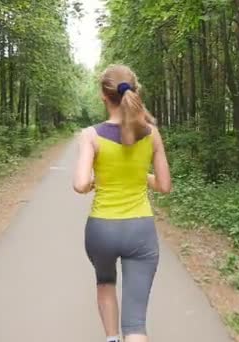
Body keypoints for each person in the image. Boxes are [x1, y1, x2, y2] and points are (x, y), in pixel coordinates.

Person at [73, 64, 172, 342]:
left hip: (102, 229)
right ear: (134, 92)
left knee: (105, 283)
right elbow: (164, 186)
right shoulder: (151, 134)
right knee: (136, 323)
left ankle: (111, 338)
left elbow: (80, 183)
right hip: (140, 230)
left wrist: (96, 180)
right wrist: (141, 176)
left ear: (104, 95)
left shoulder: (90, 135)